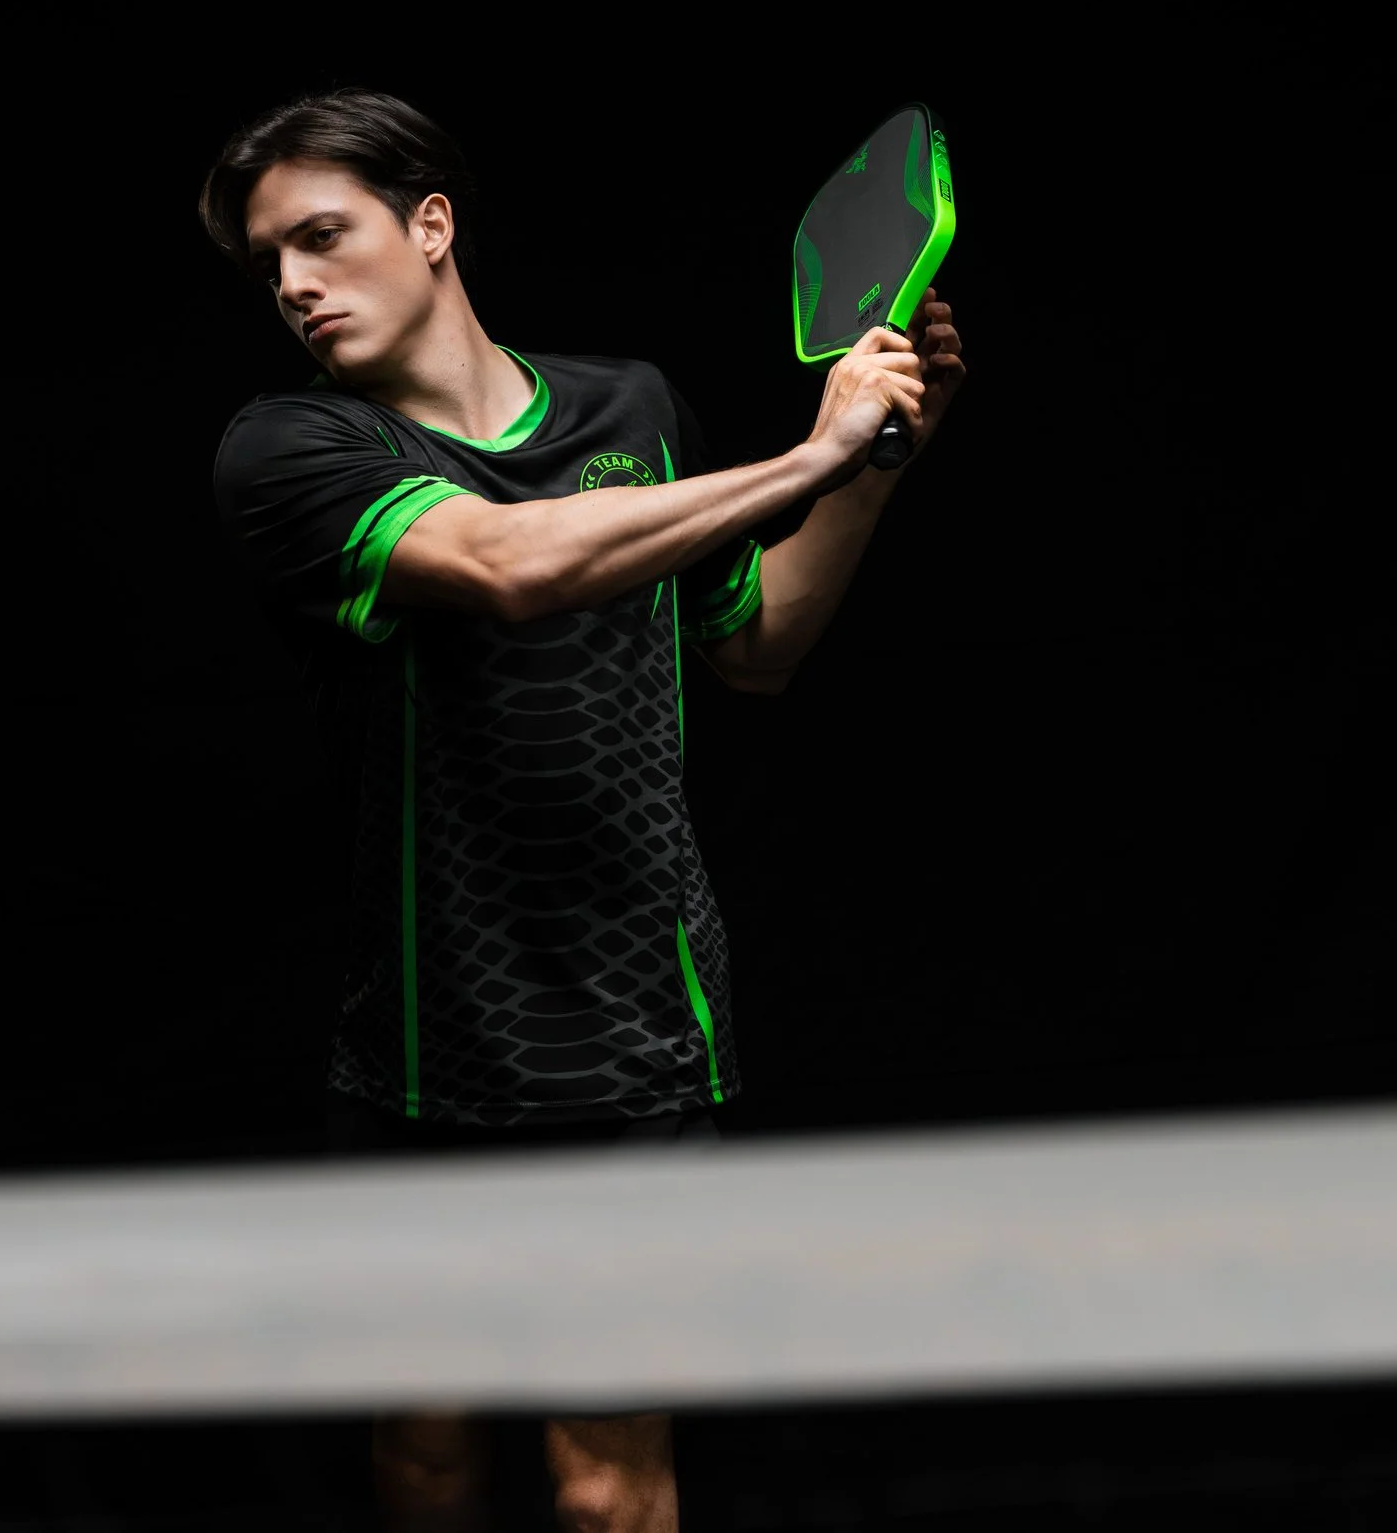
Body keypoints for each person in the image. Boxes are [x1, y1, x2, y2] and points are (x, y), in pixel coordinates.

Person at [202, 89, 965, 1533]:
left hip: (628, 1042)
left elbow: (757, 646)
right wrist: (804, 456)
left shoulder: (637, 408)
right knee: (424, 1465)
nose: (296, 285)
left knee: (608, 1491)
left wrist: (872, 470)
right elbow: (503, 562)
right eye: (269, 265)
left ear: (430, 224)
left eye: (321, 236)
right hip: (422, 1049)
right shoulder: (292, 453)